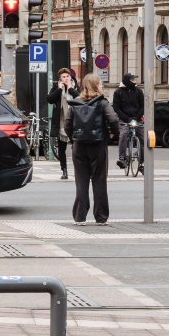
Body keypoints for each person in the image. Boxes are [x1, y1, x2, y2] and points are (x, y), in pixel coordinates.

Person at [68, 72, 118, 226]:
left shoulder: (75, 102)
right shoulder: (102, 103)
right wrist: (112, 135)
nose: (102, 86)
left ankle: (80, 217)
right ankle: (101, 217)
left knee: (81, 182)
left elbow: (67, 124)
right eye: (100, 83)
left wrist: (74, 138)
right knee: (99, 181)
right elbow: (113, 119)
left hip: (79, 146)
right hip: (98, 145)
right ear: (96, 86)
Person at [45, 68, 79, 180]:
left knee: (77, 148)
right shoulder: (56, 87)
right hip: (61, 121)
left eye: (67, 76)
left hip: (75, 121)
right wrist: (59, 90)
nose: (66, 78)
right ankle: (64, 170)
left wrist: (70, 88)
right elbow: (49, 99)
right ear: (60, 78)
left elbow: (80, 98)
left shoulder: (76, 86)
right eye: (63, 77)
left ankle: (79, 169)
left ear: (70, 76)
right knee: (61, 148)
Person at [113, 73, 145, 170]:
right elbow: (116, 107)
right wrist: (126, 118)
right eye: (133, 79)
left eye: (135, 79)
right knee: (123, 135)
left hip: (137, 118)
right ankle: (122, 158)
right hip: (124, 119)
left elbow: (143, 105)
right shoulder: (118, 92)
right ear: (127, 80)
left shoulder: (138, 91)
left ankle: (142, 162)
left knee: (143, 138)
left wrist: (138, 116)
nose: (135, 81)